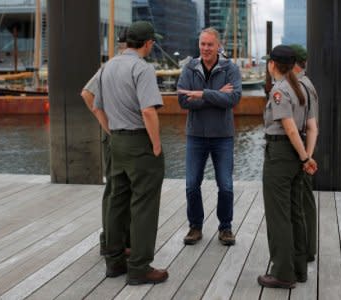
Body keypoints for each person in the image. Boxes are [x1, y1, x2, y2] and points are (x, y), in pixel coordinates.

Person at [90, 21, 168, 285]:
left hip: (118, 142)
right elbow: (148, 111)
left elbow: (95, 106)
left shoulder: (107, 67)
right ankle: (139, 267)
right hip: (139, 143)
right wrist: (156, 144)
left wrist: (111, 131)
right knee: (144, 205)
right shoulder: (142, 68)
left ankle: (114, 262)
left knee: (117, 201)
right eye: (152, 42)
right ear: (147, 43)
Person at [258, 45, 318, 289]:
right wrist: (306, 157)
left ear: (273, 64)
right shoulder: (303, 87)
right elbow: (312, 127)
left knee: (278, 216)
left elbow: (290, 128)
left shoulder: (280, 91)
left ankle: (283, 273)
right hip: (296, 155)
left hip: (281, 155)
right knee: (295, 213)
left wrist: (305, 158)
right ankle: (299, 268)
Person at [177, 27, 242, 246]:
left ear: (218, 46)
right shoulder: (189, 68)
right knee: (191, 184)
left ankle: (226, 227)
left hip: (222, 136)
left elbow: (233, 99)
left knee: (225, 185)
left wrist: (202, 94)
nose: (205, 48)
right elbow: (184, 101)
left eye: (210, 44)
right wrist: (216, 96)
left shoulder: (230, 68)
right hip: (195, 135)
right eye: (202, 44)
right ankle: (195, 226)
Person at [81, 26, 130, 257]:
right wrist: (108, 127)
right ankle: (109, 241)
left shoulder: (123, 65)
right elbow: (87, 94)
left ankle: (119, 240)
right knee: (114, 189)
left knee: (121, 189)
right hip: (115, 137)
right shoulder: (112, 67)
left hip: (122, 136)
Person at [290, 44, 319, 262]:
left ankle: (306, 249)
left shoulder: (300, 85)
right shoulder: (309, 84)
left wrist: (306, 157)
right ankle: (308, 248)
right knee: (305, 199)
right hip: (305, 148)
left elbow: (308, 126)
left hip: (299, 149)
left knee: (301, 200)